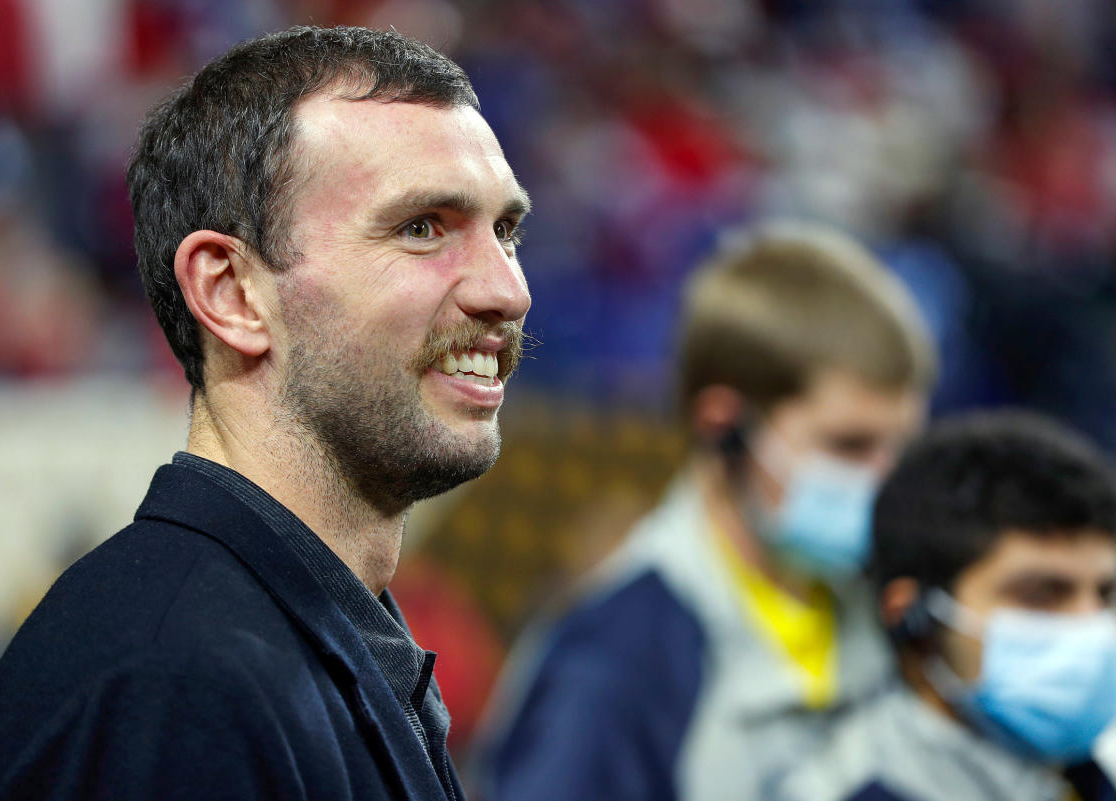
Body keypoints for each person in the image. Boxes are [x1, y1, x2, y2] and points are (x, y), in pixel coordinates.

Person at [0, 25, 531, 801]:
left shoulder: (272, 641)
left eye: (506, 230)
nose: (507, 291)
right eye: (421, 228)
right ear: (230, 293)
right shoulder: (177, 685)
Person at [478, 223, 937, 801]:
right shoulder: (616, 662)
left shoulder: (887, 609)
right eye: (849, 446)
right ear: (723, 425)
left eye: (899, 446)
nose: (885, 478)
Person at [772, 411, 1116, 801]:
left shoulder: (1078, 774)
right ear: (913, 616)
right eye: (1039, 595)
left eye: (1106, 594)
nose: (1091, 625)